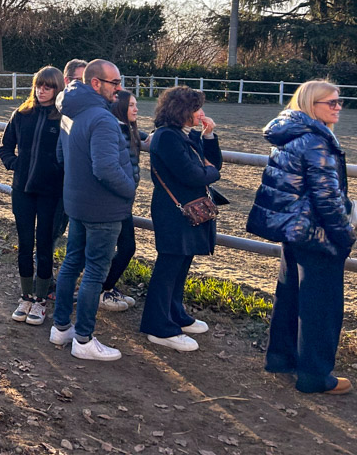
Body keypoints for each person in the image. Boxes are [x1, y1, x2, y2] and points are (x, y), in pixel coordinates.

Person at [247, 80, 355, 395]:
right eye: (331, 102)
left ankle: (281, 358)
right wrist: (345, 236)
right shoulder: (316, 141)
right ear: (311, 105)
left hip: (292, 228)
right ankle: (316, 376)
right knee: (322, 305)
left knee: (290, 294)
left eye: (339, 101)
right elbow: (328, 199)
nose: (338, 107)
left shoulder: (289, 133)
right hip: (315, 231)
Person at [50, 59, 136, 361]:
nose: (120, 89)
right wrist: (131, 189)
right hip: (103, 207)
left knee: (72, 262)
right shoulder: (101, 118)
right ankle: (84, 340)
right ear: (96, 83)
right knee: (95, 271)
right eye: (115, 83)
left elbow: (63, 155)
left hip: (77, 202)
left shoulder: (70, 112)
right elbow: (106, 167)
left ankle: (61, 327)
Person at [139, 86, 221, 352]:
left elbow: (212, 165)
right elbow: (195, 175)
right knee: (168, 266)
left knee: (181, 263)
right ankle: (158, 326)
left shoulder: (180, 135)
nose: (201, 114)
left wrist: (208, 137)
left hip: (184, 211)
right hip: (173, 211)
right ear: (182, 110)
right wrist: (209, 171)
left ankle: (175, 314)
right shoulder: (167, 137)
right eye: (196, 108)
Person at [0, 66, 65, 326]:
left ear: (57, 88)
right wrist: (15, 164)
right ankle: (25, 296)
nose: (42, 90)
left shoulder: (62, 120)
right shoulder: (21, 114)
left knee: (45, 245)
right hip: (22, 191)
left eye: (48, 86)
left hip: (50, 193)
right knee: (25, 244)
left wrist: (57, 172)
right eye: (39, 85)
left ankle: (40, 300)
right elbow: (5, 146)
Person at [99, 90, 147, 311]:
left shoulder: (129, 129)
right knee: (126, 247)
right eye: (132, 105)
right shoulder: (115, 131)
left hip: (124, 200)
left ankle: (106, 287)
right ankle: (103, 290)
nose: (136, 109)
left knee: (123, 246)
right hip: (115, 201)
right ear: (120, 109)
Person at [51, 59, 88, 246]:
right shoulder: (56, 107)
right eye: (80, 80)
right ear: (67, 81)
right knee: (53, 230)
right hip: (56, 179)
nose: (85, 86)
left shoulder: (85, 107)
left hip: (73, 180)